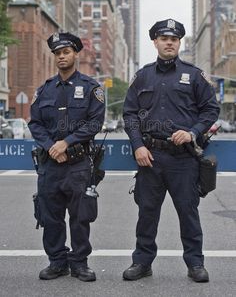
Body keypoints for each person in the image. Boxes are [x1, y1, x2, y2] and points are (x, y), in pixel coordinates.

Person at [122, 19, 220, 283]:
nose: (169, 43)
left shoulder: (195, 75)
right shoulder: (142, 76)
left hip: (183, 158)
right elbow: (129, 114)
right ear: (155, 42)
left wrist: (192, 132)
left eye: (174, 39)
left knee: (188, 213)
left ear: (179, 43)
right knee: (147, 214)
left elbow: (211, 110)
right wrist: (137, 145)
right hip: (150, 157)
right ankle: (142, 263)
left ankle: (195, 263)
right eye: (164, 39)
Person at [28, 32, 105, 281]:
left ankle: (79, 263)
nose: (62, 57)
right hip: (51, 164)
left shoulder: (91, 88)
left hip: (79, 164)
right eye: (58, 53)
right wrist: (53, 147)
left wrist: (66, 143)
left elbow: (95, 123)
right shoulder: (44, 90)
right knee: (50, 216)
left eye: (66, 52)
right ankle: (57, 262)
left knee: (80, 217)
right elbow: (35, 124)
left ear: (75, 54)